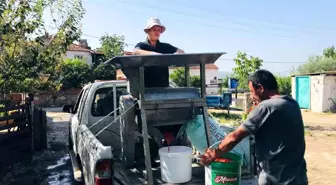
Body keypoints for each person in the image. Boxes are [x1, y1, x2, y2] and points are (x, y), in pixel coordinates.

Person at [201, 69, 308, 185]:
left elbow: (234, 137)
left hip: (276, 178)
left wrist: (214, 153)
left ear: (261, 88)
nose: (251, 96)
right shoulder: (291, 103)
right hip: (298, 177)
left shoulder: (266, 107)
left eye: (252, 91)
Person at [133, 17, 184, 88]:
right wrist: (154, 54)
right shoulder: (142, 45)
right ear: (148, 31)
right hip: (146, 90)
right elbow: (136, 52)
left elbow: (181, 52)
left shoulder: (165, 47)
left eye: (159, 30)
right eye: (154, 30)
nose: (157, 32)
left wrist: (173, 57)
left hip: (163, 89)